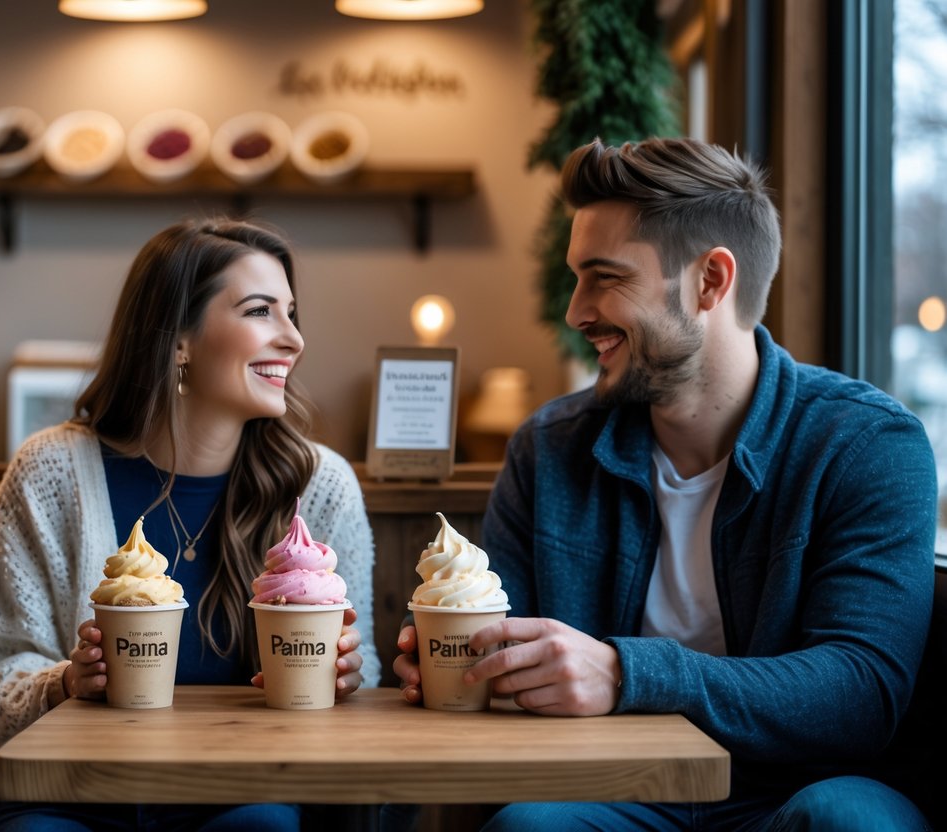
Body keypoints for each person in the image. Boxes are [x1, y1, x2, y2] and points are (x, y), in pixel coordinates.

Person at [392, 137, 939, 831]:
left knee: (848, 820)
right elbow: (501, 642)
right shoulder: (549, 448)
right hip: (616, 790)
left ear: (709, 281)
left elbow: (860, 693)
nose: (576, 312)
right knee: (531, 826)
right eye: (576, 278)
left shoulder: (863, 444)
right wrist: (448, 661)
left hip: (796, 792)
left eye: (605, 277)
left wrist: (626, 673)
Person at [0, 217, 380, 832]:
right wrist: (64, 684)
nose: (293, 339)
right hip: (69, 791)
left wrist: (345, 677)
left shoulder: (319, 486)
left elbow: (365, 688)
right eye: (260, 311)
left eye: (292, 313)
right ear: (179, 340)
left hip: (243, 792)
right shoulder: (53, 472)